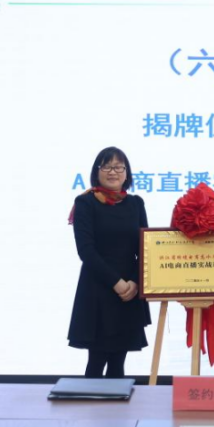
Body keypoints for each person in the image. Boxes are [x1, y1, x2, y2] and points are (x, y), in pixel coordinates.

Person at [67, 146, 151, 377]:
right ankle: (90, 402)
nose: (113, 172)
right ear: (97, 171)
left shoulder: (136, 203)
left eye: (118, 167)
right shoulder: (86, 202)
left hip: (129, 291)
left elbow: (145, 247)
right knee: (96, 361)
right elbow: (86, 250)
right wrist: (117, 283)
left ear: (126, 173)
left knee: (118, 362)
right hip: (98, 288)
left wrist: (134, 282)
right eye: (106, 166)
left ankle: (118, 402)